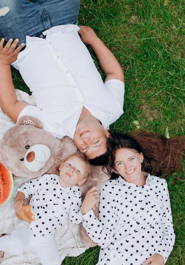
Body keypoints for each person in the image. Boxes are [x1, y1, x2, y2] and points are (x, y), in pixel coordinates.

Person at [0, 0, 124, 161]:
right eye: (96, 141)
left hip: (23, 36)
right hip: (63, 21)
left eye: (84, 147)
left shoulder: (53, 128)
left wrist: (3, 63)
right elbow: (114, 74)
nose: (86, 140)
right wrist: (95, 41)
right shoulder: (112, 109)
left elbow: (11, 106)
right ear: (107, 134)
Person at [80, 132, 176, 265]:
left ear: (141, 157)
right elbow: (105, 238)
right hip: (115, 264)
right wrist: (86, 212)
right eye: (120, 163)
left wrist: (162, 257)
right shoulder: (110, 189)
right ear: (114, 168)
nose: (128, 167)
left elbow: (167, 227)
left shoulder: (159, 185)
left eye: (131, 158)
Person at [0, 152, 93, 265]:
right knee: (15, 246)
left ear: (81, 181)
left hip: (46, 237)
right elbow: (26, 188)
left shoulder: (75, 195)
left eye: (78, 171)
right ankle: (4, 241)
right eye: (70, 164)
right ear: (61, 166)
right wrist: (19, 200)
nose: (71, 170)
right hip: (29, 225)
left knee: (54, 264)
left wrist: (85, 208)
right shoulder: (47, 179)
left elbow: (74, 218)